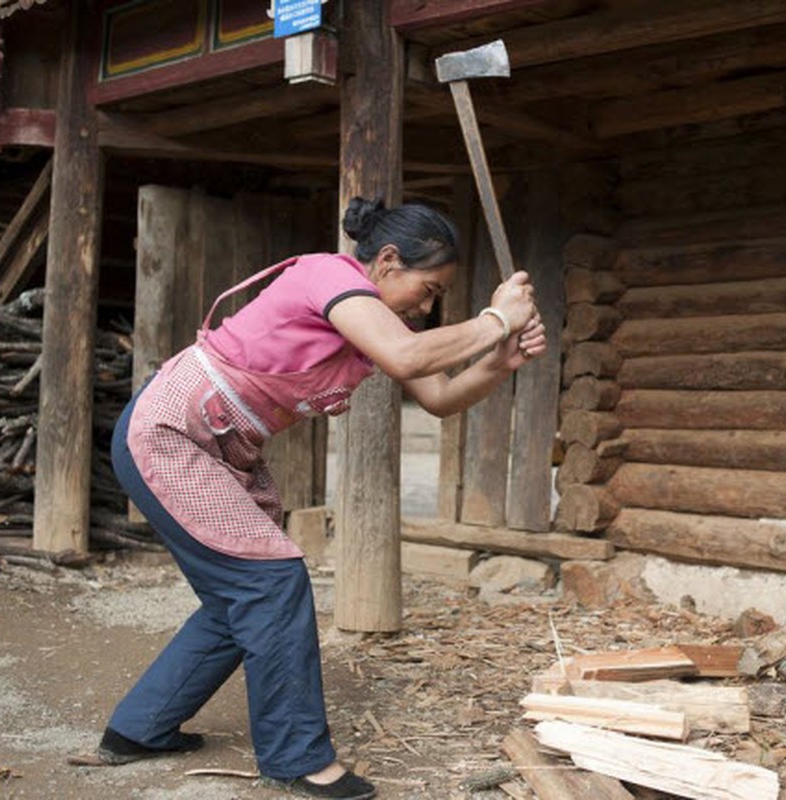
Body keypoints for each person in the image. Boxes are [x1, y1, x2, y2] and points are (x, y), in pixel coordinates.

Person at [97, 197, 545, 799]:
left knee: (242, 600)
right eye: (430, 287)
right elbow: (411, 355)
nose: (429, 304)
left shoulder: (374, 324)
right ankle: (296, 758)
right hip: (171, 433)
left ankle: (139, 729)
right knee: (272, 581)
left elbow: (438, 395)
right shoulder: (329, 275)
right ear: (387, 261)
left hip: (218, 447)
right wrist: (497, 318)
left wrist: (500, 361)